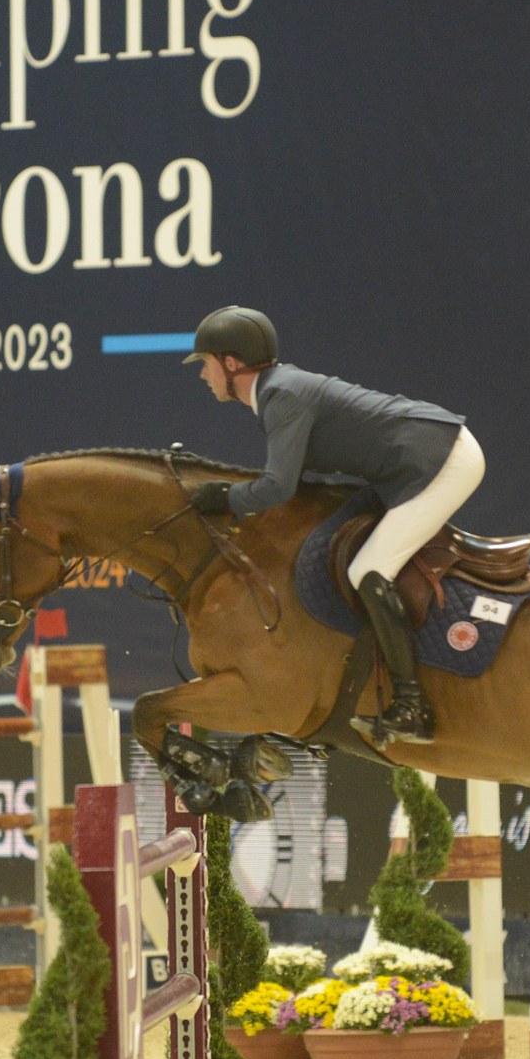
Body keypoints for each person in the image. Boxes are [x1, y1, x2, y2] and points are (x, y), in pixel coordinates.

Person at [184, 304, 484, 746]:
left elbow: (278, 487)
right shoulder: (275, 391)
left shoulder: (280, 396)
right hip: (407, 464)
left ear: (231, 363)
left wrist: (224, 498)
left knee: (368, 569)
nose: (202, 375)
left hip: (441, 461)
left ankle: (411, 705)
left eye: (206, 364)